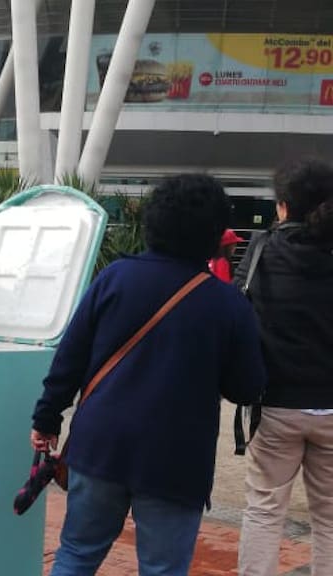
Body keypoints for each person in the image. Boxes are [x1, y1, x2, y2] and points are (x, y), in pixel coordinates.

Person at [30, 174, 266, 576]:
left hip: (100, 444)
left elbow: (69, 359)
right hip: (176, 458)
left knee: (77, 554)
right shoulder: (228, 303)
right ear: (215, 234)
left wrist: (46, 420)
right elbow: (246, 387)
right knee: (163, 569)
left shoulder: (114, 278)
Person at [236, 158, 333, 576]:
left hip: (274, 405)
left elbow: (239, 310)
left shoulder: (262, 249)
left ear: (283, 206)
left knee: (264, 509)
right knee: (330, 517)